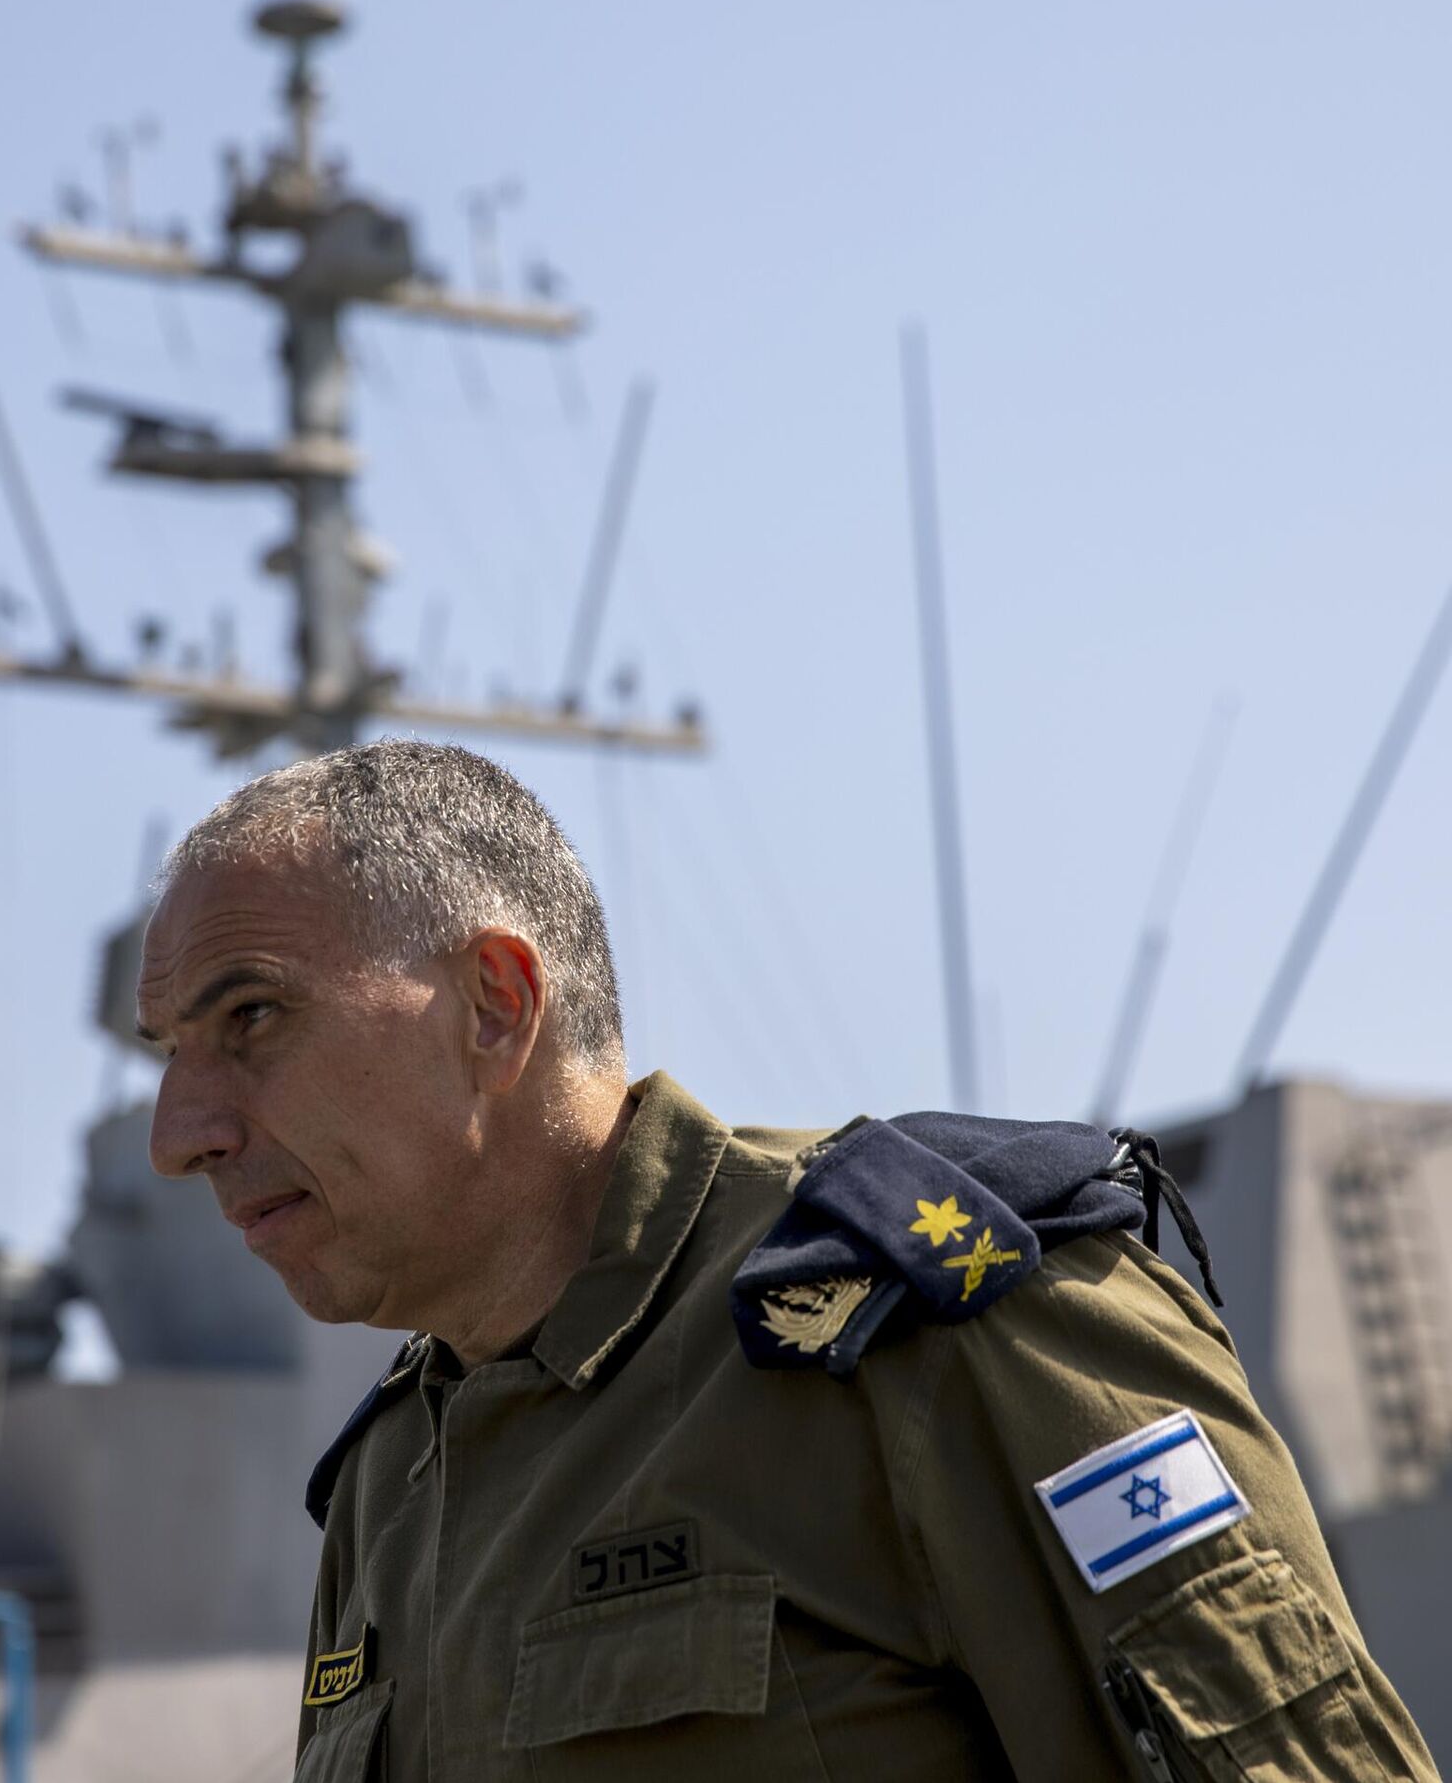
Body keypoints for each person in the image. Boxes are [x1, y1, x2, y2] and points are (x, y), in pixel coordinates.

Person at [136, 738, 1437, 1782]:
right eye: (169, 1054)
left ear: (496, 1006)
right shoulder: (390, 1486)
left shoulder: (931, 1330)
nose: (178, 1135)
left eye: (251, 1016)